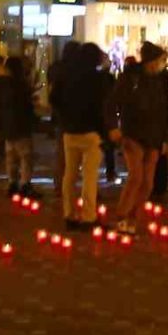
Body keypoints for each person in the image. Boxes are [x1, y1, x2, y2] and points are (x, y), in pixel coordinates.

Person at [109, 42, 168, 232]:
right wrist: (113, 127)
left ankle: (134, 217)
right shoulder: (130, 78)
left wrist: (164, 139)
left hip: (153, 137)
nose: (162, 65)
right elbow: (112, 102)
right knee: (136, 176)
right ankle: (122, 215)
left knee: (148, 182)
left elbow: (163, 111)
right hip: (133, 134)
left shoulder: (159, 81)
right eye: (160, 61)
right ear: (151, 61)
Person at [54, 42, 112, 231]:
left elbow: (54, 98)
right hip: (90, 132)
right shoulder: (96, 79)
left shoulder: (66, 76)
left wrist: (64, 116)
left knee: (69, 175)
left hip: (69, 130)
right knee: (89, 176)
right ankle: (88, 216)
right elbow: (102, 106)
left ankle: (69, 214)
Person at [0, 53, 38, 197]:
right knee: (25, 157)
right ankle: (25, 183)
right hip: (21, 125)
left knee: (11, 156)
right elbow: (25, 106)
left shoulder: (2, 83)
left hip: (8, 126)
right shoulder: (19, 84)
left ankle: (12, 182)